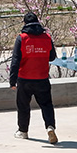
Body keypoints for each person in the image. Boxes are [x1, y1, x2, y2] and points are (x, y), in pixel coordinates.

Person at [9, 11, 58, 144]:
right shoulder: (47, 37)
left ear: (25, 24)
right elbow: (52, 56)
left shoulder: (22, 38)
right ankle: (50, 127)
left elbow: (15, 61)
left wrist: (12, 81)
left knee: (23, 105)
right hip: (42, 78)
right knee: (46, 105)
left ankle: (23, 131)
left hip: (24, 78)